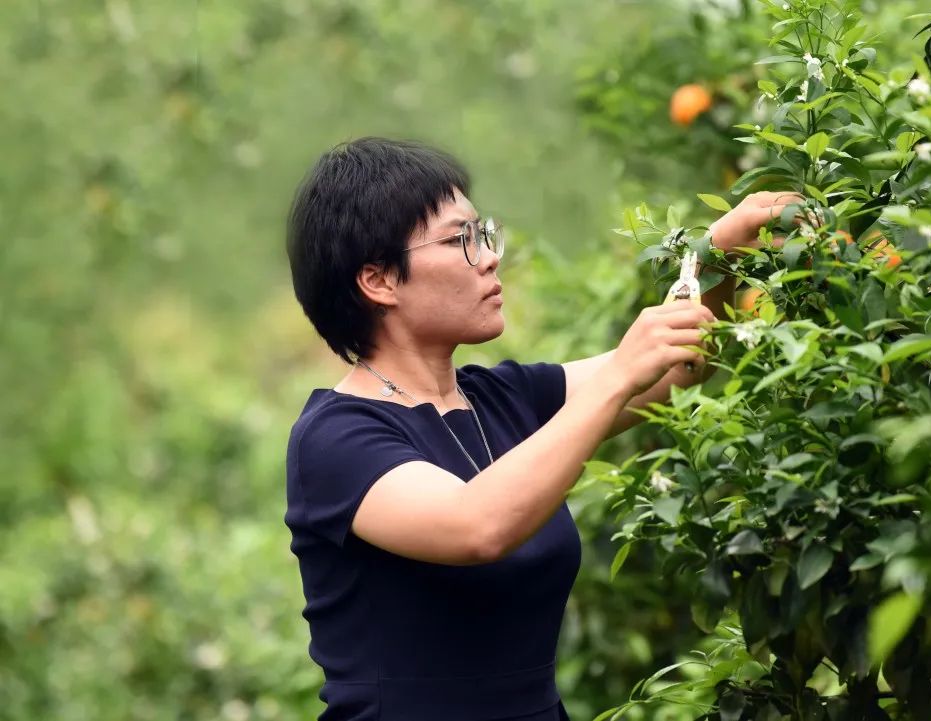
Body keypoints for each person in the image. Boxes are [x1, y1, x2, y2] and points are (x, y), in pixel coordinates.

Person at [284, 136, 801, 721]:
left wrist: (715, 256)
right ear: (378, 280)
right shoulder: (335, 439)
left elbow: (675, 370)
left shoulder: (503, 399)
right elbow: (474, 527)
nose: (489, 257)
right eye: (460, 241)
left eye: (484, 235)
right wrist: (618, 375)